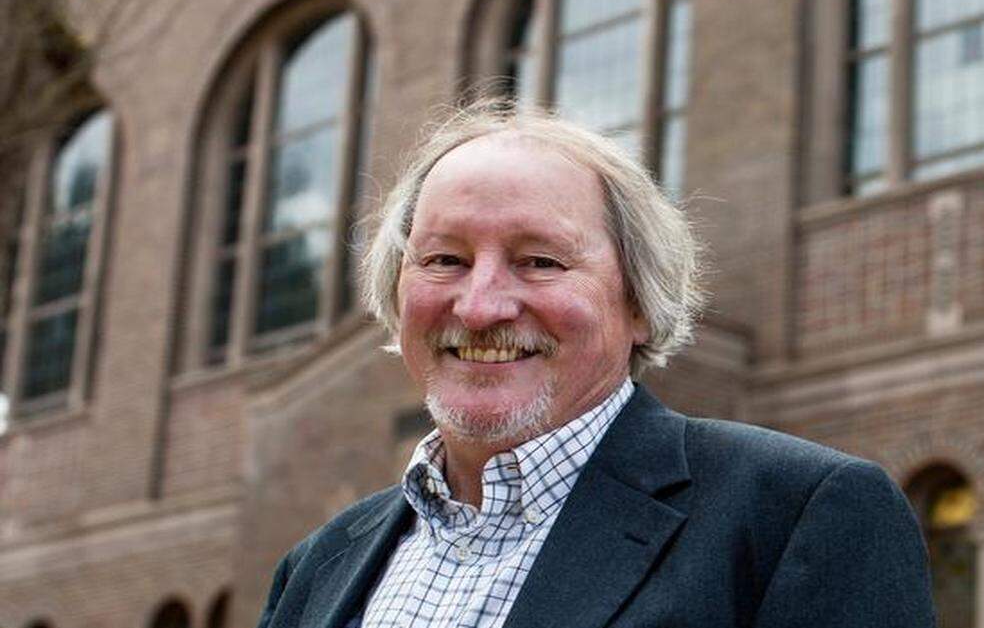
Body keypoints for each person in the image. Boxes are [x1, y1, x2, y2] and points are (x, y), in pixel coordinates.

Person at [255, 100, 936, 628]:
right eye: (444, 260)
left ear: (639, 301)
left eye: (540, 261)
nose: (482, 304)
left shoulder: (797, 515)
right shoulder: (319, 565)